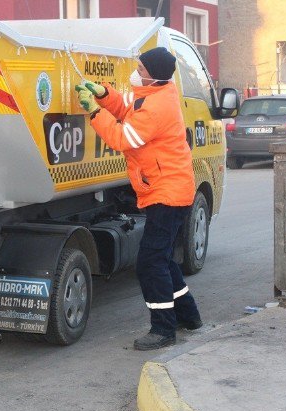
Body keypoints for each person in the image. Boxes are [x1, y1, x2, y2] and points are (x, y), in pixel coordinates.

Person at [76, 46, 203, 351]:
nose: (137, 70)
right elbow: (125, 109)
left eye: (141, 68)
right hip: (168, 189)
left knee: (149, 263)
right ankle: (189, 316)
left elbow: (124, 137)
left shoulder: (158, 106)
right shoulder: (153, 93)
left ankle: (163, 329)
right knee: (161, 259)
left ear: (153, 75)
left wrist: (94, 113)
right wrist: (103, 94)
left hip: (167, 193)